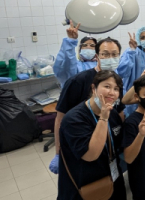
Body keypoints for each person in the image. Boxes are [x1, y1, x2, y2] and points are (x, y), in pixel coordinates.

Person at [50, 37, 125, 174]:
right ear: (97, 56)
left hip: (109, 148)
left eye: (114, 54)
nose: (110, 58)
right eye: (105, 54)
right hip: (83, 144)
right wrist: (58, 152)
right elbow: (61, 118)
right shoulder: (77, 81)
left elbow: (119, 111)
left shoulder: (117, 81)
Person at [58, 70, 126, 200]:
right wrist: (103, 118)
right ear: (94, 88)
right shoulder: (74, 119)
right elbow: (91, 155)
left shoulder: (113, 114)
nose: (112, 92)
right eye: (107, 86)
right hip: (84, 185)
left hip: (112, 178)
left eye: (116, 89)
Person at [53, 21, 97, 87]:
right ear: (80, 49)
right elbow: (66, 62)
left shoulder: (102, 65)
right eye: (85, 45)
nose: (88, 47)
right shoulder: (76, 65)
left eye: (92, 45)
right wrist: (70, 41)